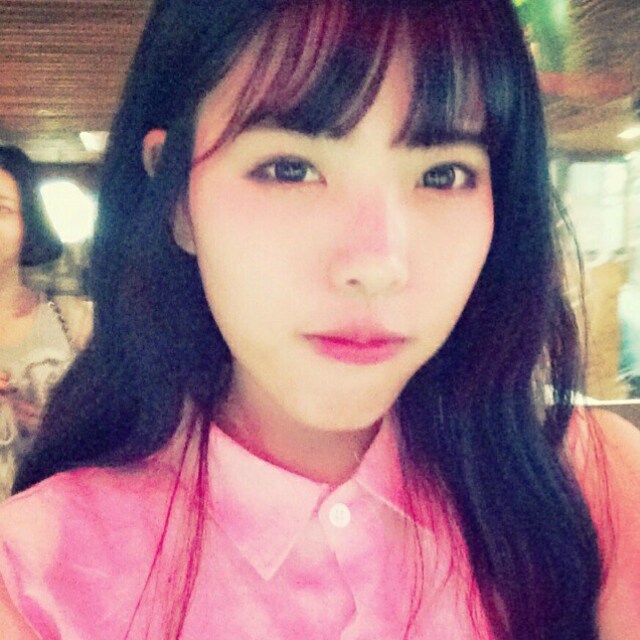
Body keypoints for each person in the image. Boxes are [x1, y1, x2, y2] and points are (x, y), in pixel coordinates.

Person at [0, 0, 639, 638]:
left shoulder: (594, 486)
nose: (376, 266)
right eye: (291, 169)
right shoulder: (35, 583)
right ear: (178, 201)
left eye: (443, 174)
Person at [0, 145, 93, 502]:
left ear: (28, 224)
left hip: (54, 521)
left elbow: (123, 427)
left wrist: (61, 428)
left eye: (2, 208)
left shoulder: (73, 320)